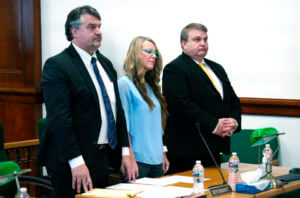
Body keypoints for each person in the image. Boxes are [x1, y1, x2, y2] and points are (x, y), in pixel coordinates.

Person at [35, 5, 134, 197]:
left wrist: (125, 152)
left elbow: (117, 112)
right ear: (74, 31)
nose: (98, 32)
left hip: (102, 157)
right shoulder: (57, 65)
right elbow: (59, 119)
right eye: (91, 27)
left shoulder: (105, 64)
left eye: (99, 26)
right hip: (72, 162)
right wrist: (76, 161)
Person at [162, 23, 241, 174]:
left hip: (214, 147)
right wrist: (214, 125)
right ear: (183, 44)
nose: (203, 43)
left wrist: (234, 121)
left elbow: (233, 100)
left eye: (205, 39)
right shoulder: (174, 69)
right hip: (187, 151)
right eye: (197, 39)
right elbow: (183, 105)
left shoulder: (217, 68)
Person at [118, 36, 170, 178]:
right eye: (148, 51)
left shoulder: (152, 87)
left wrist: (163, 152)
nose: (154, 56)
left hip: (157, 160)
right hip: (138, 160)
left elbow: (157, 126)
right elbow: (124, 127)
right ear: (135, 53)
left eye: (155, 53)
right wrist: (130, 158)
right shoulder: (124, 84)